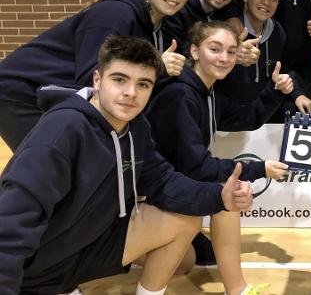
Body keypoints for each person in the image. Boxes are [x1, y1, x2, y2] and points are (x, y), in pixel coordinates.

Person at [0, 35, 253, 295]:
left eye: (143, 84)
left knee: (185, 219)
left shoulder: (135, 128)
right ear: (97, 80)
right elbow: (12, 223)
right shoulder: (61, 131)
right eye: (120, 79)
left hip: (89, 246)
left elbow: (163, 182)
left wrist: (219, 195)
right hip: (37, 269)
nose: (131, 93)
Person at [146, 21, 291, 292]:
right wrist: (259, 169)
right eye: (215, 49)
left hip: (173, 188)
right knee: (228, 199)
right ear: (195, 51)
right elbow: (197, 167)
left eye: (231, 52)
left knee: (185, 264)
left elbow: (245, 118)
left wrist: (274, 91)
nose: (224, 58)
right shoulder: (180, 94)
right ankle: (237, 289)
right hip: (151, 194)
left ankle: (137, 253)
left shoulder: (208, 92)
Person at [0, 0, 193, 152]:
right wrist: (157, 66)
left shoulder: (160, 22)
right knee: (48, 164)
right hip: (21, 93)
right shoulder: (117, 14)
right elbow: (91, 80)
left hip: (53, 91)